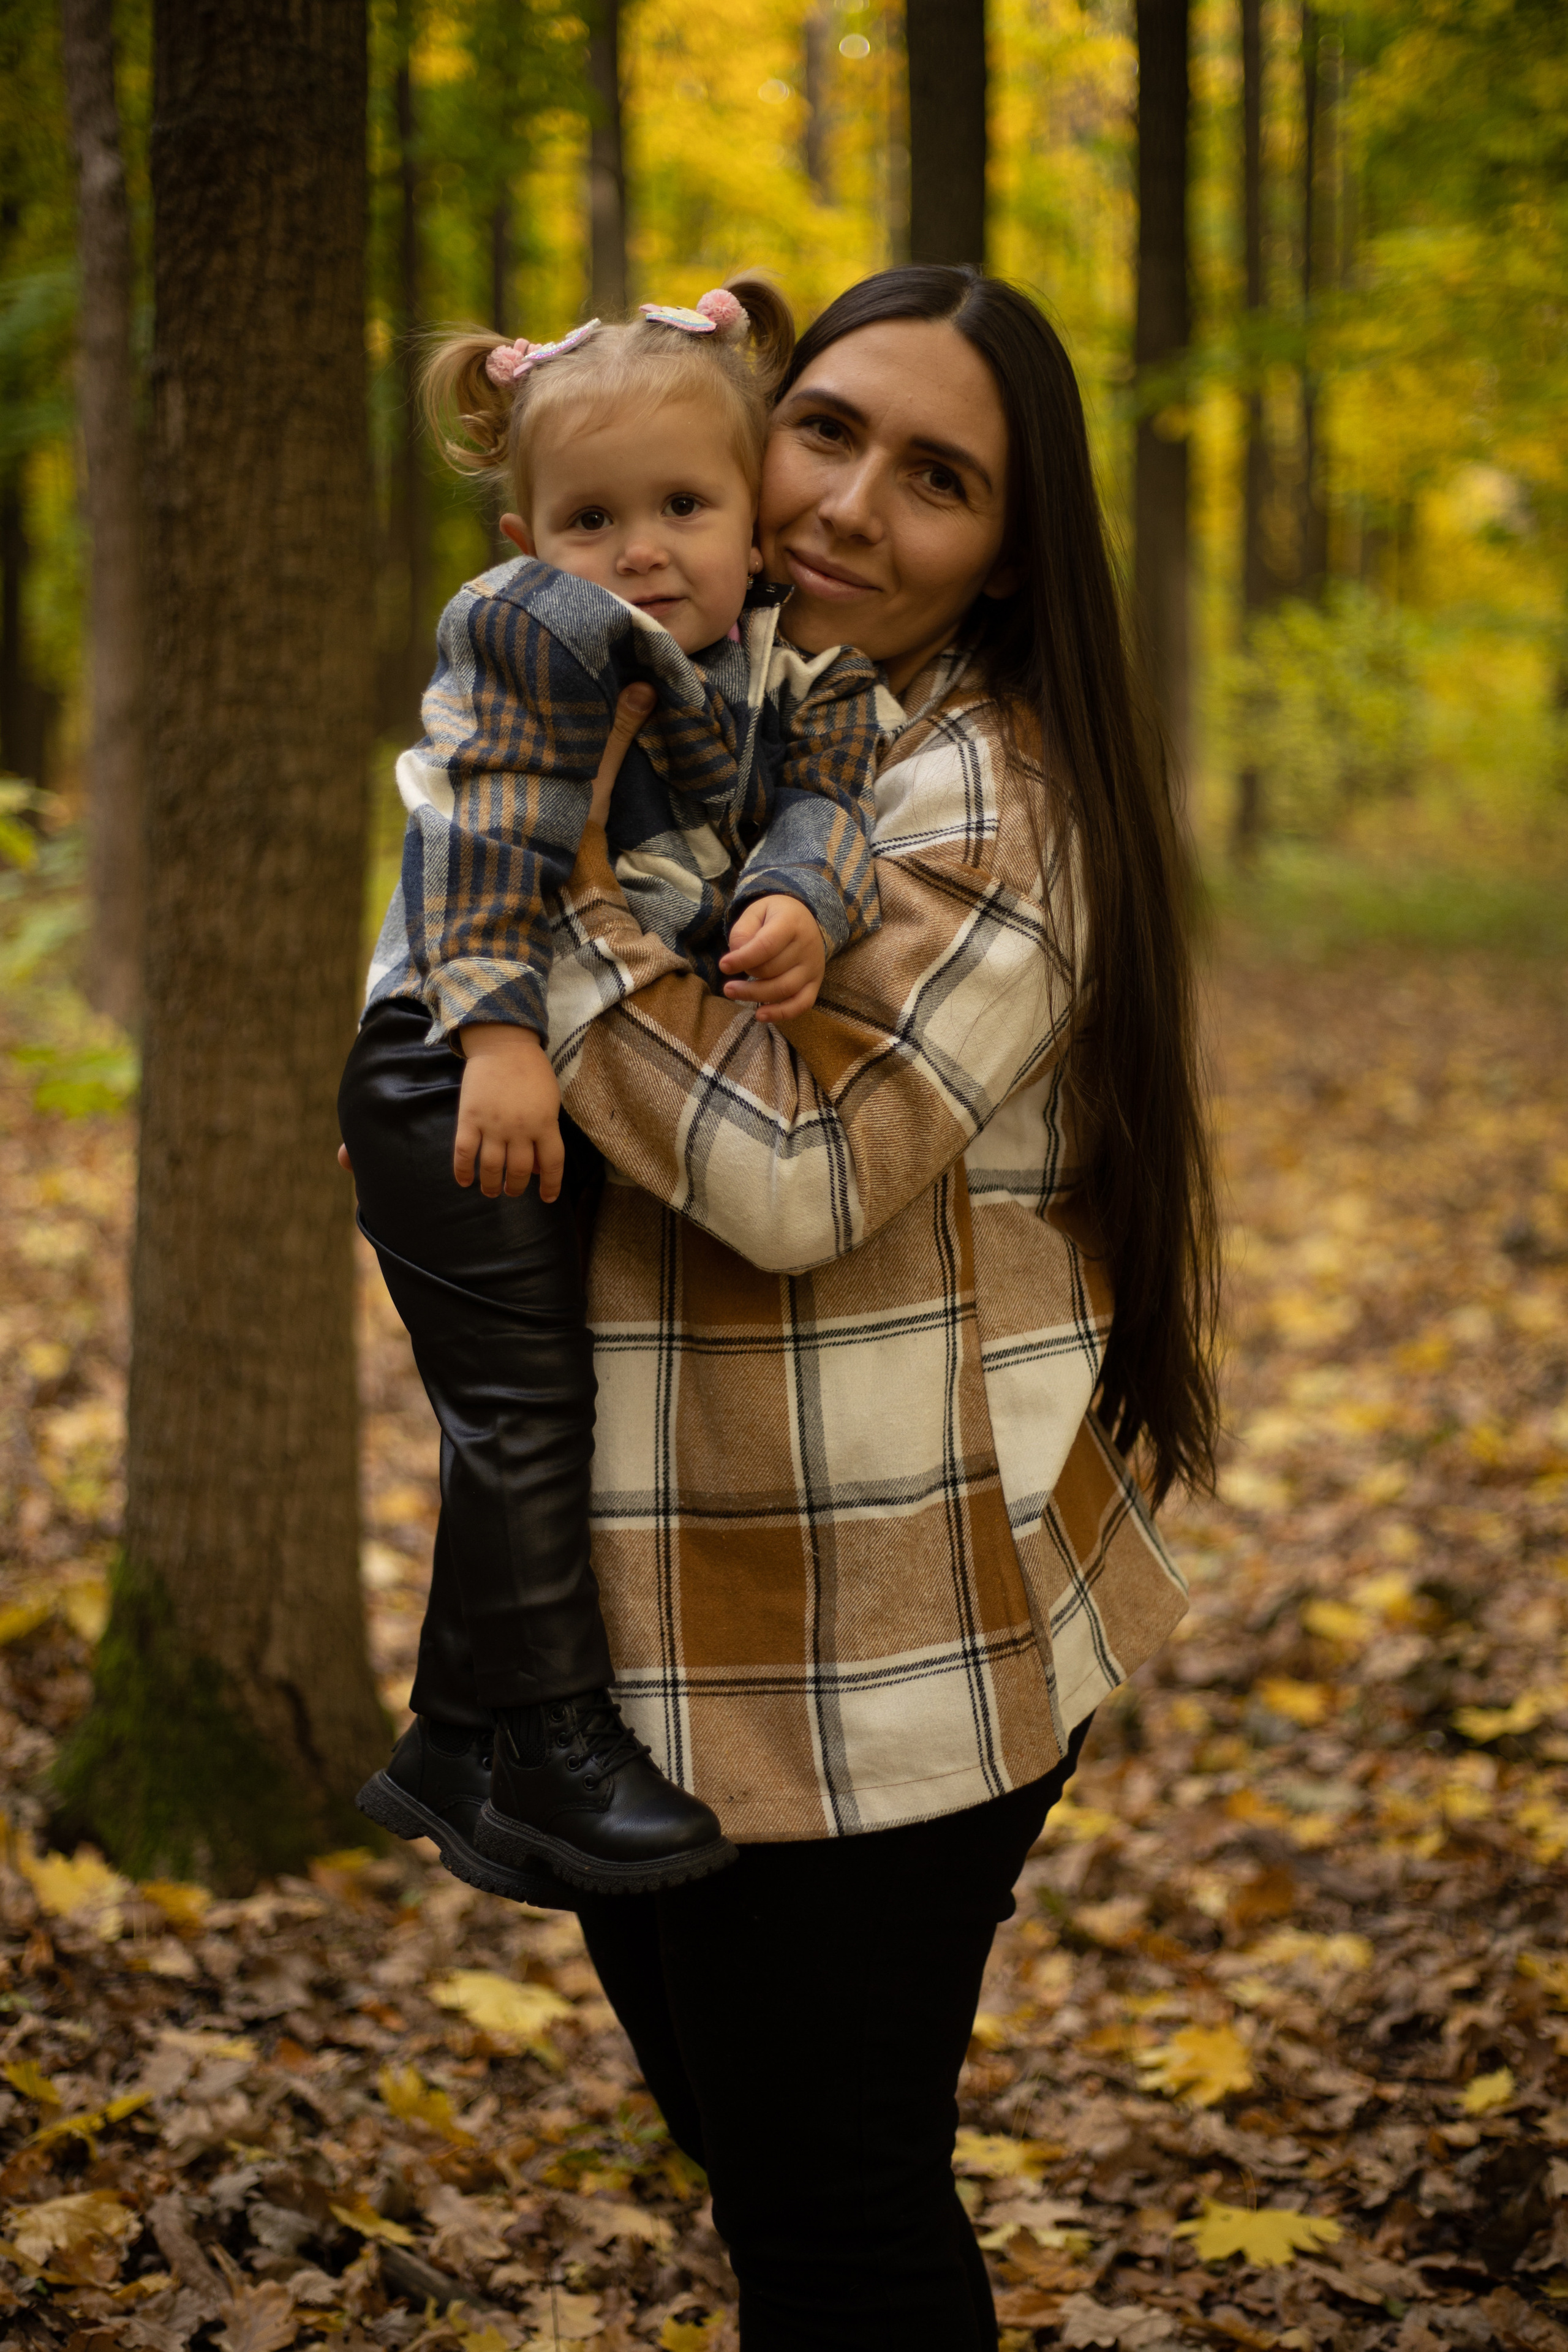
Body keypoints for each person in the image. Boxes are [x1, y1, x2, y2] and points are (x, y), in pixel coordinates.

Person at [375, 263, 1219, 2350]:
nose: (850, 503)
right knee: (772, 2189)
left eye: (936, 479)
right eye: (825, 430)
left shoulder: (991, 801)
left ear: (1011, 553)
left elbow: (791, 1170)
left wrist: (524, 922)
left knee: (836, 2222)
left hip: (880, 1664)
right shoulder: (722, 700)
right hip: (671, 1622)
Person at [340, 281, 886, 1902]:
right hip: (454, 1050)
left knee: (535, 1396)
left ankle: (452, 1735)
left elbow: (838, 797)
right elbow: (483, 826)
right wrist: (496, 1039)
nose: (640, 548)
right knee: (528, 1407)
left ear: (758, 520)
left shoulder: (800, 663)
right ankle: (557, 1743)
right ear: (525, 533)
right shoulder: (537, 629)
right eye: (592, 516)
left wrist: (805, 894)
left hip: (566, 1061)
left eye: (682, 506)